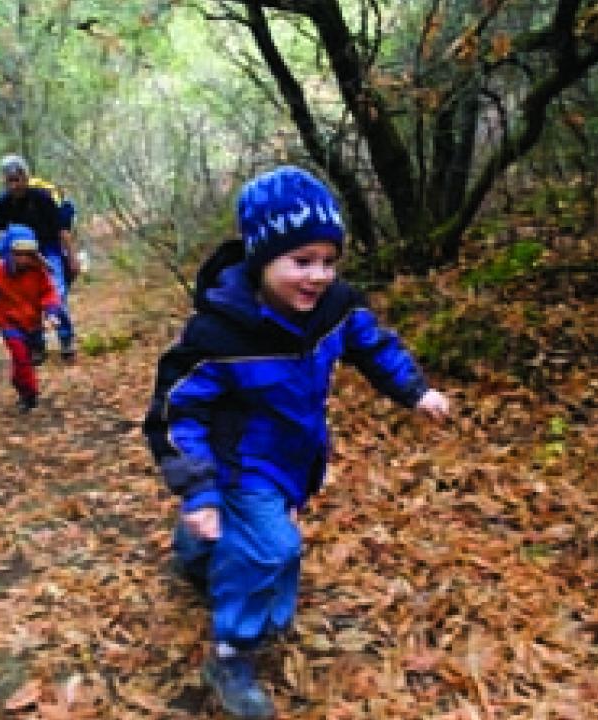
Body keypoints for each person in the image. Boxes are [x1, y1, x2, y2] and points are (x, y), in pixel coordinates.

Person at [143, 166, 450, 719]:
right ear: (262, 260)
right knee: (273, 548)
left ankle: (195, 551)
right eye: (301, 262)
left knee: (238, 533)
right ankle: (231, 654)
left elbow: (372, 344)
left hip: (295, 454)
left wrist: (413, 389)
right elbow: (174, 413)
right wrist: (198, 487)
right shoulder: (219, 335)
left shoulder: (335, 307)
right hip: (239, 463)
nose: (318, 276)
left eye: (328, 261)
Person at [0, 154, 80, 363]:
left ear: (25, 176)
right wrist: (6, 261)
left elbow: (62, 230)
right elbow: (2, 233)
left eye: (17, 178)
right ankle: (36, 345)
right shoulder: (3, 203)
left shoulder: (42, 197)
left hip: (49, 249)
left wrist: (71, 258)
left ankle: (66, 339)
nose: (14, 184)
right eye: (9, 179)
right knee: (28, 299)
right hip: (21, 255)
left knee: (56, 293)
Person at [0, 224, 63, 413]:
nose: (23, 259)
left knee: (31, 357)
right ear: (9, 252)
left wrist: (51, 311)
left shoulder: (38, 270)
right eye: (18, 254)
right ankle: (30, 395)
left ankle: (19, 381)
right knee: (20, 355)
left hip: (33, 322)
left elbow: (48, 292)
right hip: (9, 323)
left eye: (27, 254)